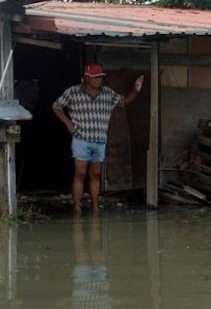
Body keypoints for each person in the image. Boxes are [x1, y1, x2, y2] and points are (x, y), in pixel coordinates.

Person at [52, 64, 143, 214]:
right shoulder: (73, 92)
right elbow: (56, 106)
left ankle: (95, 207)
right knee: (80, 173)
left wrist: (136, 90)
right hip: (81, 139)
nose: (98, 80)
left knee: (95, 174)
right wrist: (68, 123)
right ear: (86, 78)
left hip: (100, 141)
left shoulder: (107, 93)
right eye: (95, 77)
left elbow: (124, 102)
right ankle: (77, 207)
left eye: (100, 77)